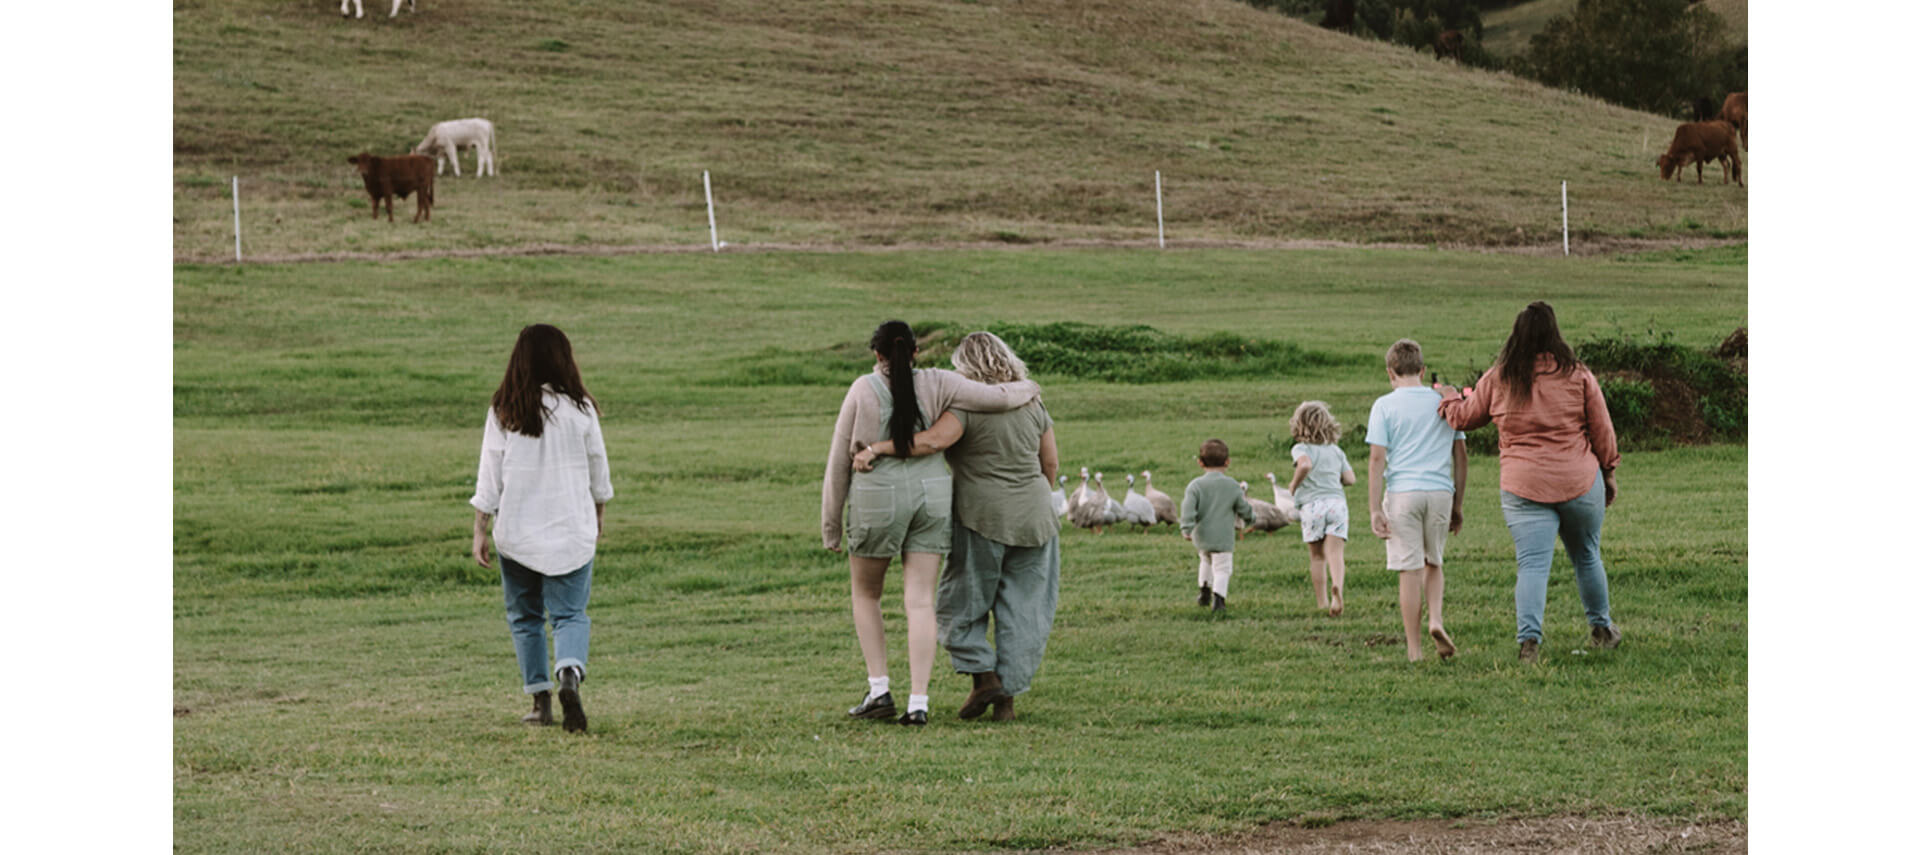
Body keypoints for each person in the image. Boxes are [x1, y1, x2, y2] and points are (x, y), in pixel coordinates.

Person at [822, 321, 1041, 726]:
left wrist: (831, 525)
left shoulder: (861, 389)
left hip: (878, 497)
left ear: (877, 355)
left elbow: (838, 461)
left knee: (866, 595)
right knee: (920, 599)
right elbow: (999, 397)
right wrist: (1031, 388)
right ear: (917, 352)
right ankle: (918, 701)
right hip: (933, 495)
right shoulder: (941, 382)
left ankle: (878, 689)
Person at [1438, 302, 1622, 663]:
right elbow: (1602, 430)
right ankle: (1601, 629)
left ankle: (1530, 644)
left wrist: (1446, 398)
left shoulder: (1499, 377)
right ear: (1555, 334)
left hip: (1524, 486)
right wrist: (1609, 472)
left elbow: (1464, 417)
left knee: (1532, 565)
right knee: (1586, 555)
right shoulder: (1578, 375)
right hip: (1579, 480)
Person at [469, 324, 612, 733]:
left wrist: (480, 528)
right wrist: (598, 510)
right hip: (570, 528)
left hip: (517, 531)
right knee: (569, 614)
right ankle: (569, 670)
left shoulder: (504, 408)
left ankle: (540, 701)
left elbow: (489, 474)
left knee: (525, 616)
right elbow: (597, 465)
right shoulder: (581, 408)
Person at [1366, 339, 1467, 662]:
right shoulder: (1443, 402)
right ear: (1423, 371)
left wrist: (1372, 508)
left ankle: (1414, 649)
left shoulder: (1384, 405)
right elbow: (1461, 456)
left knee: (1409, 570)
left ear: (1390, 373)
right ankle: (1436, 620)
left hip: (1403, 495)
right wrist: (1457, 503)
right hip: (1439, 492)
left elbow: (1376, 458)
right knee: (1433, 562)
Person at [1287, 401, 1355, 617]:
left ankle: (1322, 602)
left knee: (1317, 557)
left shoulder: (1301, 448)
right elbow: (1350, 479)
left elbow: (1305, 464)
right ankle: (1338, 588)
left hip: (1312, 506)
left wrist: (1293, 484)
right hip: (1337, 505)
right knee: (1335, 553)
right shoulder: (1335, 451)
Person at [1180, 439, 1256, 612]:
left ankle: (1204, 592)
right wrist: (1251, 518)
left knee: (1205, 560)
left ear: (1200, 463)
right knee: (1222, 568)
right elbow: (1243, 507)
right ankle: (1219, 600)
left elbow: (1188, 509)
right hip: (1223, 537)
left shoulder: (1195, 486)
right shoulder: (1232, 486)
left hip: (1202, 536)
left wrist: (1186, 528)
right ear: (1227, 462)